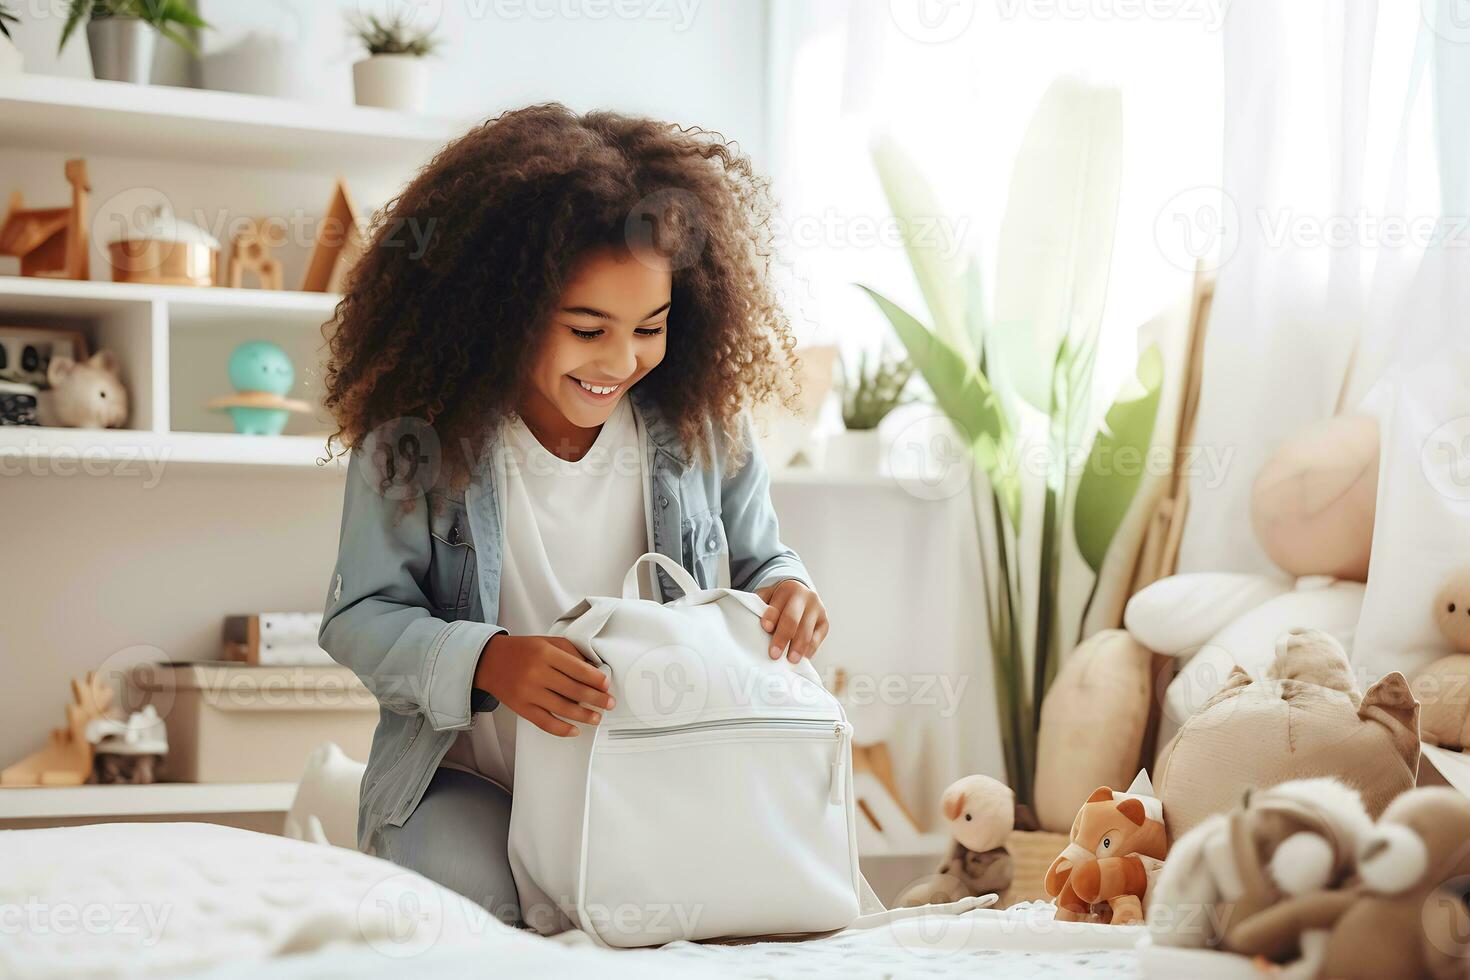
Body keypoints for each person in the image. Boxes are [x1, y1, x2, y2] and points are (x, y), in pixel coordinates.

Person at [316, 103, 830, 928]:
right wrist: (488, 661)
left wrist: (788, 587)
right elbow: (358, 617)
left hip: (644, 774)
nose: (621, 360)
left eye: (650, 327)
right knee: (489, 923)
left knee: (682, 924)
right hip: (465, 780)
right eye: (588, 328)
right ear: (502, 312)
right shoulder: (415, 443)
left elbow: (760, 558)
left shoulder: (702, 432)